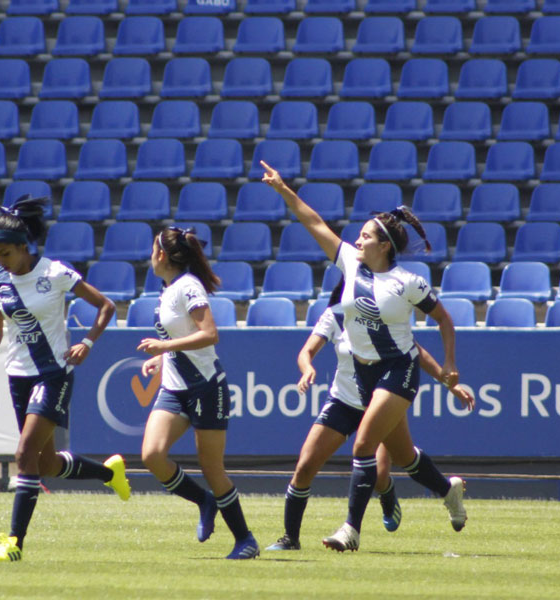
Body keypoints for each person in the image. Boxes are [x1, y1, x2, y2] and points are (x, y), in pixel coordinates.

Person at [261, 160, 467, 553]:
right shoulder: (350, 264)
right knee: (318, 463)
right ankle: (448, 490)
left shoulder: (409, 282)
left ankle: (350, 530)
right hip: (356, 380)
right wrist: (283, 190)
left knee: (362, 448)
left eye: (366, 236)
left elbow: (444, 320)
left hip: (398, 370)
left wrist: (450, 366)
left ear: (385, 244)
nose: (358, 241)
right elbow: (314, 222)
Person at [0, 196, 131, 563]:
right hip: (18, 377)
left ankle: (14, 542)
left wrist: (88, 343)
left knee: (24, 454)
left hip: (53, 374)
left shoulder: (55, 273)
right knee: (45, 464)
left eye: (5, 253)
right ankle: (109, 474)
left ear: (23, 246)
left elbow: (106, 306)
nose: (0, 261)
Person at [266, 280, 475, 551]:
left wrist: (450, 384)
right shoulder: (336, 314)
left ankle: (447, 492)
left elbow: (417, 353)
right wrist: (307, 369)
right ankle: (291, 539)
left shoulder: (382, 315)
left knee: (401, 461)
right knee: (305, 465)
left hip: (381, 399)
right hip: (343, 401)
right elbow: (306, 352)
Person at [137, 226, 260, 560]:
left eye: (152, 250)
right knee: (152, 455)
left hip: (206, 388)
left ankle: (245, 539)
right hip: (175, 388)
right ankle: (204, 502)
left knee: (212, 468)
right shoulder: (168, 288)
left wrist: (164, 345)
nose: (149, 256)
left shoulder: (188, 286)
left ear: (161, 255)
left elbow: (209, 334)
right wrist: (163, 357)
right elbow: (184, 333)